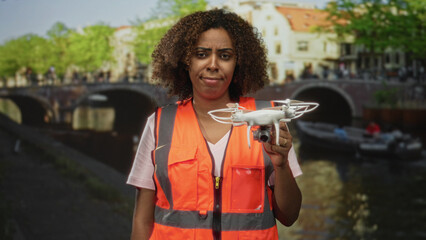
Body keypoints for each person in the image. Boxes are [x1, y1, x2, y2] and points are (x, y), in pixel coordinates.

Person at [127, 9, 302, 240]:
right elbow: (142, 219)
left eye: (225, 56)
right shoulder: (160, 124)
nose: (213, 64)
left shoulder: (268, 120)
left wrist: (281, 166)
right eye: (201, 54)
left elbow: (289, 217)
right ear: (186, 61)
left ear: (238, 64)